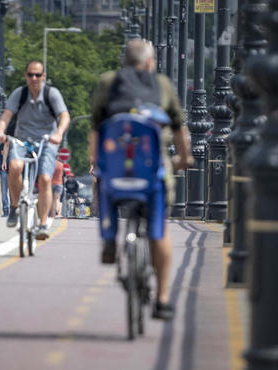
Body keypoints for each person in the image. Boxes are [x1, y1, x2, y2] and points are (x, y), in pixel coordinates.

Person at [90, 39, 192, 320]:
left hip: (116, 171)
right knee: (160, 229)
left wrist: (95, 161)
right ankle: (162, 298)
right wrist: (184, 158)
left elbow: (96, 126)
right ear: (149, 63)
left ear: (125, 62)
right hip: (151, 171)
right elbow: (179, 127)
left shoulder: (108, 81)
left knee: (105, 188)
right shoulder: (162, 84)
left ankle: (110, 239)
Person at [0, 60, 71, 240]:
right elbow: (7, 115)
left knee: (45, 179)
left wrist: (59, 133)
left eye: (38, 75)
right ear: (25, 76)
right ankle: (14, 207)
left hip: (47, 142)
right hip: (22, 141)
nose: (34, 78)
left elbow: (64, 115)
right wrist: (0, 131)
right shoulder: (20, 94)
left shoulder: (51, 93)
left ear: (43, 76)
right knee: (14, 167)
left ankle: (43, 224)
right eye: (30, 75)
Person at [0, 142, 9, 217]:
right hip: (3, 171)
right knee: (4, 192)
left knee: (7, 193)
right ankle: (6, 211)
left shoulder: (14, 145)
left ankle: (10, 211)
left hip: (12, 171)